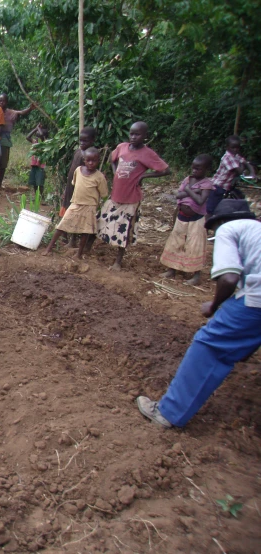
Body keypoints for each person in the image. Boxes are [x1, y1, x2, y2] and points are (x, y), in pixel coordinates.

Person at [137, 199, 261, 429]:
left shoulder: (229, 228)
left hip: (257, 299)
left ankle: (168, 412)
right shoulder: (255, 229)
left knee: (208, 345)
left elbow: (229, 277)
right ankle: (240, 350)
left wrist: (213, 306)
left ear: (220, 221)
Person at [97, 121, 171, 270]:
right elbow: (112, 160)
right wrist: (115, 170)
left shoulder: (147, 153)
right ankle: (89, 248)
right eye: (131, 133)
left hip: (131, 198)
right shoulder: (122, 147)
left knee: (124, 229)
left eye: (137, 134)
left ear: (145, 136)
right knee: (101, 219)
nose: (133, 137)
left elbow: (166, 170)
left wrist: (144, 177)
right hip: (116, 195)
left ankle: (118, 261)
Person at [42, 147, 108, 259]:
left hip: (89, 207)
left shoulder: (99, 177)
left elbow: (104, 194)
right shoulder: (78, 170)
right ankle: (49, 248)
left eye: (94, 161)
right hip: (75, 203)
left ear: (98, 161)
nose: (91, 163)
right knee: (62, 225)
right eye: (88, 160)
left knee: (85, 231)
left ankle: (79, 254)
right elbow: (74, 183)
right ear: (84, 160)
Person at [159, 155, 215, 285]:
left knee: (195, 245)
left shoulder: (207, 184)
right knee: (176, 242)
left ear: (207, 169)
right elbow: (178, 195)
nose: (194, 171)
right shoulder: (187, 179)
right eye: (193, 168)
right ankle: (172, 269)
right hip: (182, 216)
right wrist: (193, 191)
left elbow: (200, 201)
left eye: (198, 169)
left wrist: (189, 190)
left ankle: (196, 275)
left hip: (197, 219)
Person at [62, 127, 97, 247]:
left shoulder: (90, 157)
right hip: (71, 188)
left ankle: (74, 240)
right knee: (68, 211)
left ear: (92, 140)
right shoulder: (78, 152)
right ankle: (68, 238)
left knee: (77, 215)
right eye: (80, 140)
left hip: (81, 192)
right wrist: (67, 189)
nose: (82, 143)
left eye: (85, 141)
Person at [206, 135, 257, 215]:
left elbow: (246, 163)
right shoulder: (227, 158)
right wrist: (243, 164)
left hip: (228, 186)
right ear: (227, 147)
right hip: (218, 186)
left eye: (237, 148)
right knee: (211, 209)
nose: (235, 149)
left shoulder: (235, 155)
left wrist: (252, 173)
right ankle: (209, 223)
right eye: (233, 147)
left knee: (240, 199)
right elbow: (239, 170)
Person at [0, 93, 33, 187]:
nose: (1, 102)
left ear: (6, 102)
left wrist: (30, 108)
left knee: (3, 163)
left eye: (3, 101)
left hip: (5, 139)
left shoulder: (11, 112)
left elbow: (21, 112)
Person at [26, 123, 48, 196]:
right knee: (34, 182)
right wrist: (35, 129)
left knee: (40, 183)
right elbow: (28, 137)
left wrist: (38, 128)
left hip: (40, 166)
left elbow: (41, 136)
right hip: (34, 165)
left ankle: (41, 196)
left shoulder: (45, 144)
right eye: (36, 136)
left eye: (37, 137)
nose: (36, 138)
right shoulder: (35, 143)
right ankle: (37, 196)